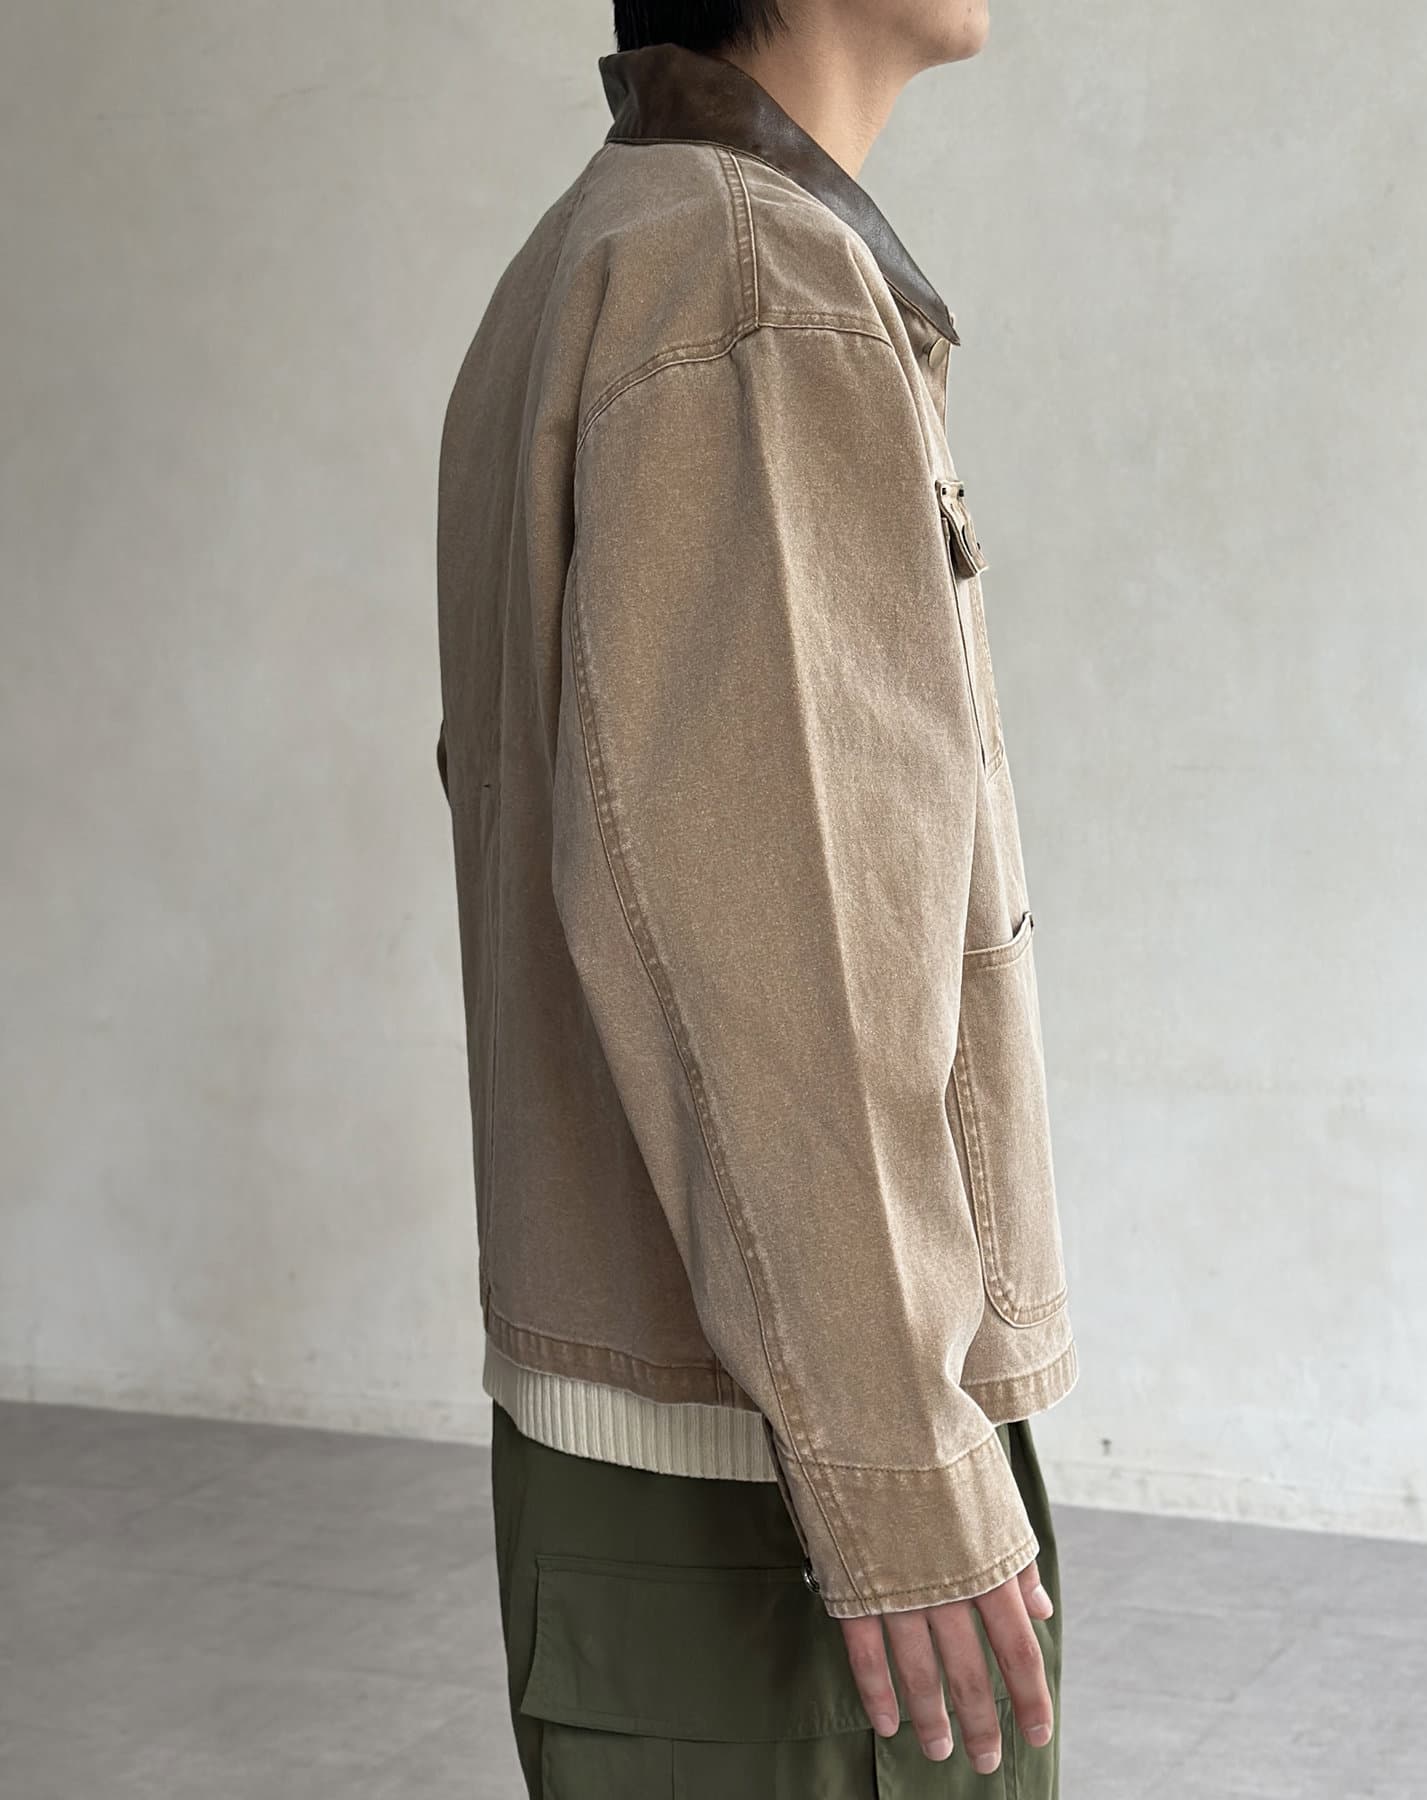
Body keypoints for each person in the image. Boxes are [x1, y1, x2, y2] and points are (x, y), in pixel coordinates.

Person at [433, 2, 1081, 1792]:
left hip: (699, 1428)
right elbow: (788, 944)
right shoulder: (743, 285)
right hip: (781, 1487)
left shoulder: (604, 244)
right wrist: (897, 1456)